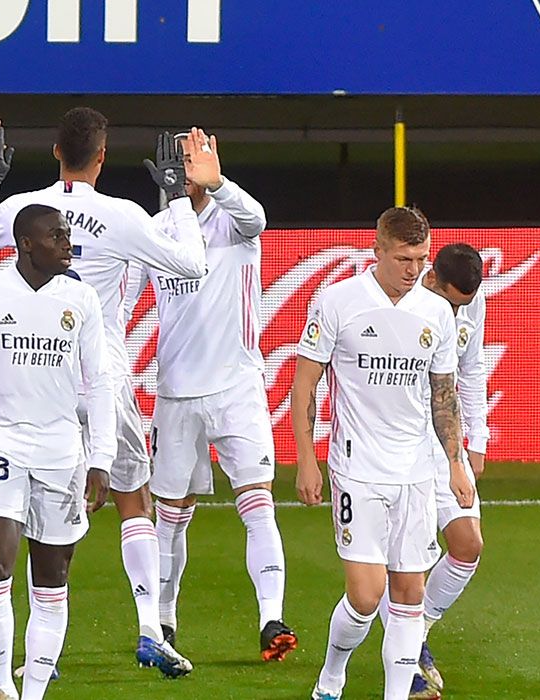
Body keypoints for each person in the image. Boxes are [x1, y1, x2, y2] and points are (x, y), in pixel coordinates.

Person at [0, 107, 206, 677]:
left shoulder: (26, 209)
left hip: (30, 374)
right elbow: (192, 267)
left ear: (54, 152)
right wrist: (176, 200)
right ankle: (149, 627)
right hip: (98, 374)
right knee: (132, 499)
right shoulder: (121, 215)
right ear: (103, 155)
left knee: (2, 501)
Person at [290, 207, 475, 700]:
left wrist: (455, 464)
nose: (413, 269)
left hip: (415, 470)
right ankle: (332, 674)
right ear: (377, 251)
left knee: (410, 593)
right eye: (402, 258)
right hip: (357, 468)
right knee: (366, 596)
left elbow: (444, 395)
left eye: (420, 258)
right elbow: (304, 383)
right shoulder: (337, 302)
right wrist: (306, 457)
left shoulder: (436, 312)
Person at [0, 204, 114, 700]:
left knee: (52, 580)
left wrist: (101, 455)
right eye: (56, 235)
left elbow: (100, 381)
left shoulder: (81, 298)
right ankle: (0, 684)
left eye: (68, 234)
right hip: (2, 443)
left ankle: (32, 692)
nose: (67, 242)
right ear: (27, 243)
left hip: (62, 451)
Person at [133, 128, 296, 659]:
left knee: (258, 503)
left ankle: (272, 619)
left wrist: (218, 180)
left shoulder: (234, 220)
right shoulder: (154, 231)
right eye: (176, 161)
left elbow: (258, 219)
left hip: (237, 388)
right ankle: (163, 621)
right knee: (171, 514)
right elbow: (126, 297)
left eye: (191, 160)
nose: (183, 170)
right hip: (177, 392)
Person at [386, 242, 488, 698]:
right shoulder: (399, 305)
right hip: (398, 447)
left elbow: (471, 371)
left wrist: (476, 443)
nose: (457, 311)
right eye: (452, 300)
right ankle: (404, 667)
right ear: (430, 278)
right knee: (404, 565)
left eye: (464, 304)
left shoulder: (469, 303)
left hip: (444, 445)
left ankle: (419, 630)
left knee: (467, 545)